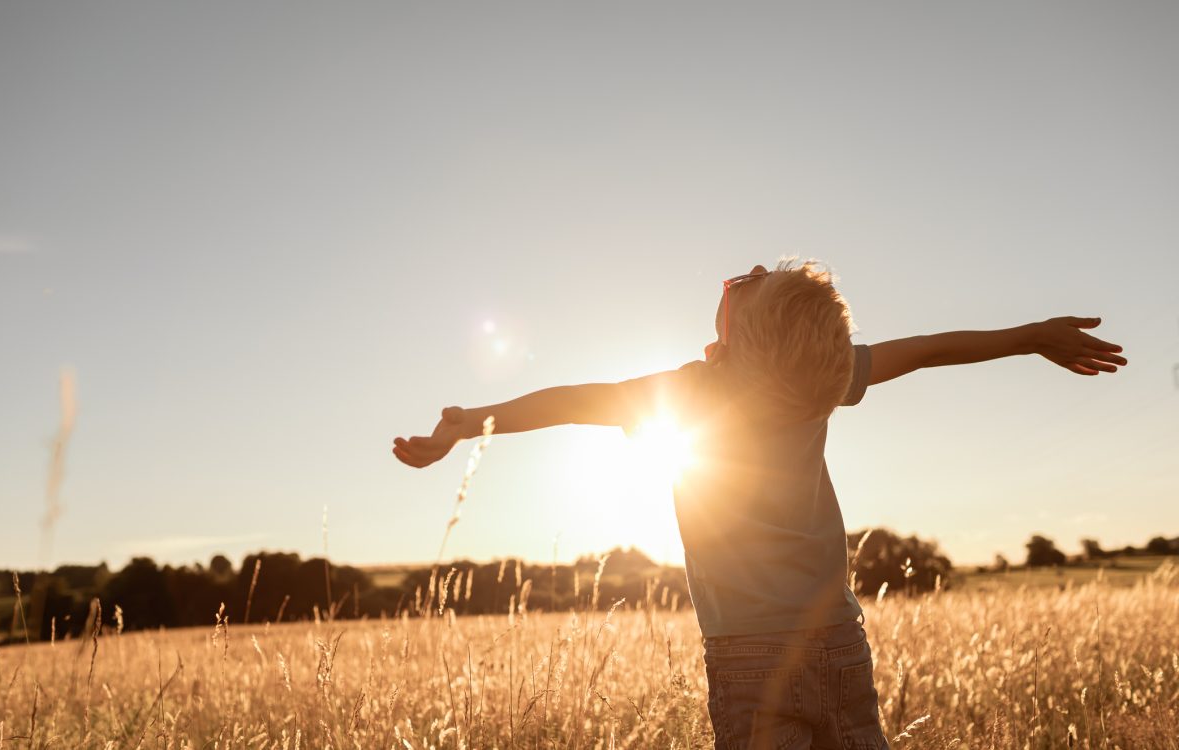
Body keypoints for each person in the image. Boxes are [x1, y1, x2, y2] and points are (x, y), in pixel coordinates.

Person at [392, 260, 1126, 749]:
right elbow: (931, 348)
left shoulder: (697, 390)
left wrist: (470, 421)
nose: (747, 271)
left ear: (738, 340)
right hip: (838, 638)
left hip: (746, 653)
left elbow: (574, 403)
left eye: (753, 281)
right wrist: (1031, 336)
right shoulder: (821, 376)